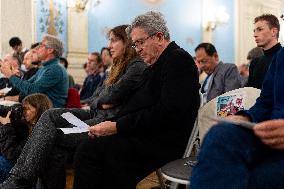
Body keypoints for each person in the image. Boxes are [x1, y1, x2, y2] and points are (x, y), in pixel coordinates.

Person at [0, 24, 147, 189]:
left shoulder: (135, 66)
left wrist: (102, 100)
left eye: (113, 41)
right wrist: (101, 102)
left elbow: (111, 96)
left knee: (52, 139)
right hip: (94, 113)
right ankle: (19, 177)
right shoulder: (117, 67)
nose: (109, 46)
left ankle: (19, 180)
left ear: (127, 42)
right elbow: (98, 98)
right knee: (49, 115)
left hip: (107, 121)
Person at [73, 11, 200, 189]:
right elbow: (138, 105)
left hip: (162, 140)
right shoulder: (157, 64)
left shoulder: (178, 60)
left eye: (140, 42)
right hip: (145, 132)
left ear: (159, 37)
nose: (137, 49)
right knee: (90, 147)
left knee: (89, 151)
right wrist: (111, 124)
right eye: (135, 44)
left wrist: (116, 126)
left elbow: (167, 112)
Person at [190, 47, 284, 189]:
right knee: (220, 133)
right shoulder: (281, 56)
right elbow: (265, 103)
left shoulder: (228, 69)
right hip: (270, 136)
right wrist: (245, 117)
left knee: (257, 177)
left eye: (204, 61)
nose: (202, 65)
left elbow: (230, 92)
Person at [0, 34, 69, 108]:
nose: (36, 49)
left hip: (48, 112)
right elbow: (27, 84)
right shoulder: (44, 68)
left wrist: (10, 76)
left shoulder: (55, 69)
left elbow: (32, 90)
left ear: (50, 50)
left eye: (41, 45)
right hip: (36, 108)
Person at [0, 93, 52, 183]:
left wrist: (6, 126)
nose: (23, 112)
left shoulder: (40, 131)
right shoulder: (27, 124)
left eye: (27, 109)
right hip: (14, 161)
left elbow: (12, 155)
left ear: (39, 110)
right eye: (23, 108)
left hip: (20, 169)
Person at [246, 14, 282, 89]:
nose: (255, 35)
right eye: (254, 31)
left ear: (273, 31)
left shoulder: (282, 57)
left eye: (260, 29)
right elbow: (249, 92)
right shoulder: (254, 63)